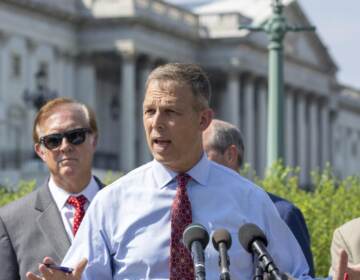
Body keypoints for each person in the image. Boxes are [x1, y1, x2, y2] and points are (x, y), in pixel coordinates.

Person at [26, 63, 340, 280]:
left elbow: (294, 274)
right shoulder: (111, 203)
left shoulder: (249, 200)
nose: (156, 123)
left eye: (171, 112)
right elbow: (80, 274)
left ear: (204, 120)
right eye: (149, 111)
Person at [0, 97, 103, 280]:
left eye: (75, 136)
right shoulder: (10, 221)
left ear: (93, 140)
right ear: (40, 151)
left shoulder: (126, 207)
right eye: (53, 141)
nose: (65, 147)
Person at [202, 119, 315, 276]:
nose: (197, 163)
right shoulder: (195, 207)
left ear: (230, 155)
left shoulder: (281, 213)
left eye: (203, 154)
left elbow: (300, 275)